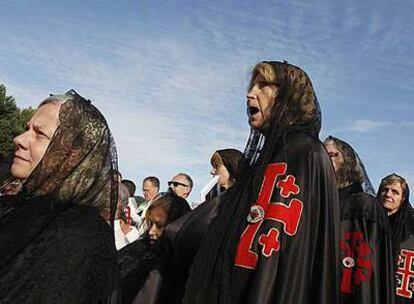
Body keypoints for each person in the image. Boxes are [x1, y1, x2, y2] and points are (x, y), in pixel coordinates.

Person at [137, 61, 341, 304]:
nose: (250, 93)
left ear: (288, 95)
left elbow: (283, 252)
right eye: (252, 84)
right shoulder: (268, 158)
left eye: (263, 85)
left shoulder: (303, 153)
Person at [0, 90, 119, 302]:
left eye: (40, 134)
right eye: (27, 129)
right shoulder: (13, 206)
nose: (19, 139)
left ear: (72, 154)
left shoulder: (82, 236)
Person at [324, 136, 394, 304]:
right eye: (322, 154)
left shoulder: (365, 205)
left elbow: (372, 272)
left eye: (332, 155)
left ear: (347, 162)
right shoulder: (318, 201)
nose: (325, 160)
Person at [117, 192, 191, 304]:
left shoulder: (186, 268)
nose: (151, 231)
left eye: (159, 226)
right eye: (150, 224)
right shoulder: (135, 251)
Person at [378, 173, 413, 303]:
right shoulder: (370, 223)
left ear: (403, 198)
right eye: (385, 190)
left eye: (395, 192)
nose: (388, 194)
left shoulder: (411, 226)